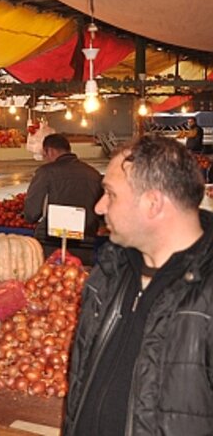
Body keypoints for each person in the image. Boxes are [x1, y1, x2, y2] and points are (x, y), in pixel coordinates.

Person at [63, 135, 213, 435]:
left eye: (111, 194)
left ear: (153, 203)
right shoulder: (107, 274)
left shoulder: (205, 298)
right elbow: (79, 385)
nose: (99, 207)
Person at [23, 133, 104, 245]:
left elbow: (32, 213)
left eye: (44, 155)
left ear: (50, 151)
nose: (45, 159)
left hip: (52, 241)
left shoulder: (46, 172)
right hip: (88, 240)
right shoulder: (93, 173)